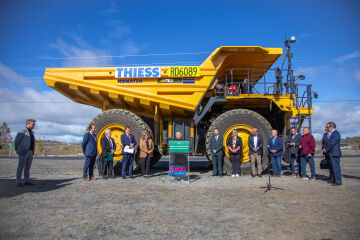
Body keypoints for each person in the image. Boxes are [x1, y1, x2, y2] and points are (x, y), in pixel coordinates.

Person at [14, 119, 36, 187]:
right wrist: (17, 149)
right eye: (32, 124)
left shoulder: (32, 132)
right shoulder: (22, 131)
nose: (34, 125)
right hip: (23, 151)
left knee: (28, 167)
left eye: (34, 124)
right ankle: (18, 182)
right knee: (21, 166)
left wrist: (32, 151)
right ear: (27, 124)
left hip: (30, 151)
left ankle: (27, 180)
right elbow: (17, 140)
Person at [324, 122, 342, 186]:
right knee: (333, 168)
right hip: (331, 153)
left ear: (332, 127)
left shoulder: (336, 133)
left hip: (334, 153)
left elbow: (332, 143)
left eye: (328, 127)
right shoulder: (331, 133)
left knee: (336, 168)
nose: (327, 128)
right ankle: (334, 180)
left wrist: (326, 149)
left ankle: (338, 181)